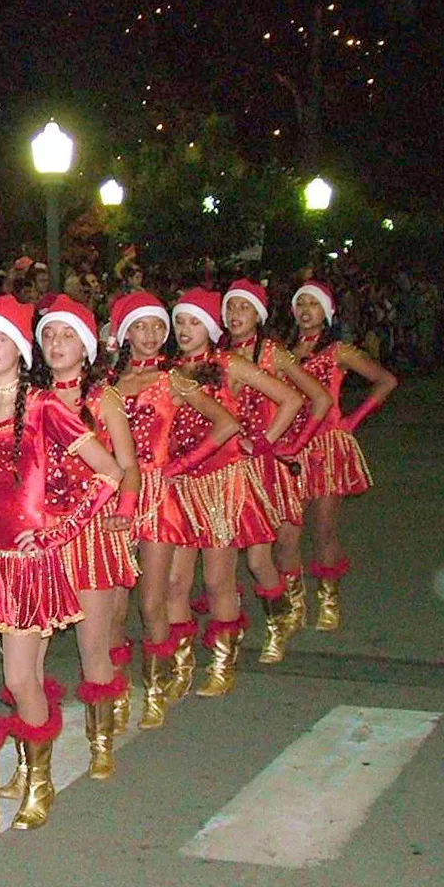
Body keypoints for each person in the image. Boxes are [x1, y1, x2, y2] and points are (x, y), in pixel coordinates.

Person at [0, 294, 124, 835]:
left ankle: (38, 781)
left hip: (25, 564)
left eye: (0, 339)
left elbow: (110, 473)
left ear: (20, 349)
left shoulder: (45, 406)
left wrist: (59, 530)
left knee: (22, 676)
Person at [108, 291, 237, 729]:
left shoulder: (173, 380)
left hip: (159, 500)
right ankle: (119, 691)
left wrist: (178, 465)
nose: (150, 335)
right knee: (114, 608)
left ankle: (156, 689)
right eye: (140, 326)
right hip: (113, 500)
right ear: (125, 332)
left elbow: (226, 424)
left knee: (153, 600)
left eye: (157, 327)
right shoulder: (105, 384)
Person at [166, 288, 301, 698]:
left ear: (210, 327)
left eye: (194, 322)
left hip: (223, 484)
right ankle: (180, 666)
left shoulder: (229, 363)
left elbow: (291, 399)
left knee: (218, 580)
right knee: (174, 582)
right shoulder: (169, 371)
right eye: (180, 322)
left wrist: (260, 443)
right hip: (179, 486)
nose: (186, 330)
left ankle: (229, 658)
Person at [35, 295, 140, 779]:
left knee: (91, 645)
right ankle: (34, 744)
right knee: (27, 650)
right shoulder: (29, 399)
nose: (57, 344)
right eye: (50, 335)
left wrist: (123, 512)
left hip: (90, 533)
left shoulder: (102, 399)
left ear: (87, 347)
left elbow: (127, 467)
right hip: (37, 539)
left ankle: (101, 741)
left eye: (67, 335)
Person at [221, 278, 332, 663]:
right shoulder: (218, 358)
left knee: (280, 548)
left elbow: (316, 399)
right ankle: (272, 619)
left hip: (269, 467)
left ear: (259, 315)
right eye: (231, 308)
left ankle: (287, 609)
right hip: (231, 469)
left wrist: (284, 442)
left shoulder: (273, 354)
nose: (236, 316)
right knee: (236, 557)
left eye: (245, 309)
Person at [286, 281, 396, 632]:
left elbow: (385, 381)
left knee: (322, 529)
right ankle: (293, 602)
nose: (305, 310)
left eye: (313, 304)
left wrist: (351, 420)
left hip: (325, 450)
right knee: (286, 533)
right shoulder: (282, 353)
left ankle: (328, 598)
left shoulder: (338, 351)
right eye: (300, 303)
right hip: (289, 451)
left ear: (326, 312)